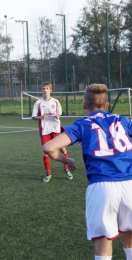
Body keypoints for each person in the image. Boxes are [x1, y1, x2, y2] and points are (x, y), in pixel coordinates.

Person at [43, 83, 132, 260]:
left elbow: (49, 147)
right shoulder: (123, 121)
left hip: (102, 187)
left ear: (84, 105)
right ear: (107, 106)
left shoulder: (82, 124)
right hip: (130, 184)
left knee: (103, 246)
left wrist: (67, 160)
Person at [32, 81, 73, 182]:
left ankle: (66, 169)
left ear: (51, 90)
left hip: (56, 129)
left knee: (62, 149)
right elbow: (33, 117)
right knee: (46, 151)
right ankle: (48, 173)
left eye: (47, 88)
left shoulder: (55, 102)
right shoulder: (38, 103)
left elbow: (59, 114)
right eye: (43, 88)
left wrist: (58, 116)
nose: (45, 90)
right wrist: (40, 117)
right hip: (45, 130)